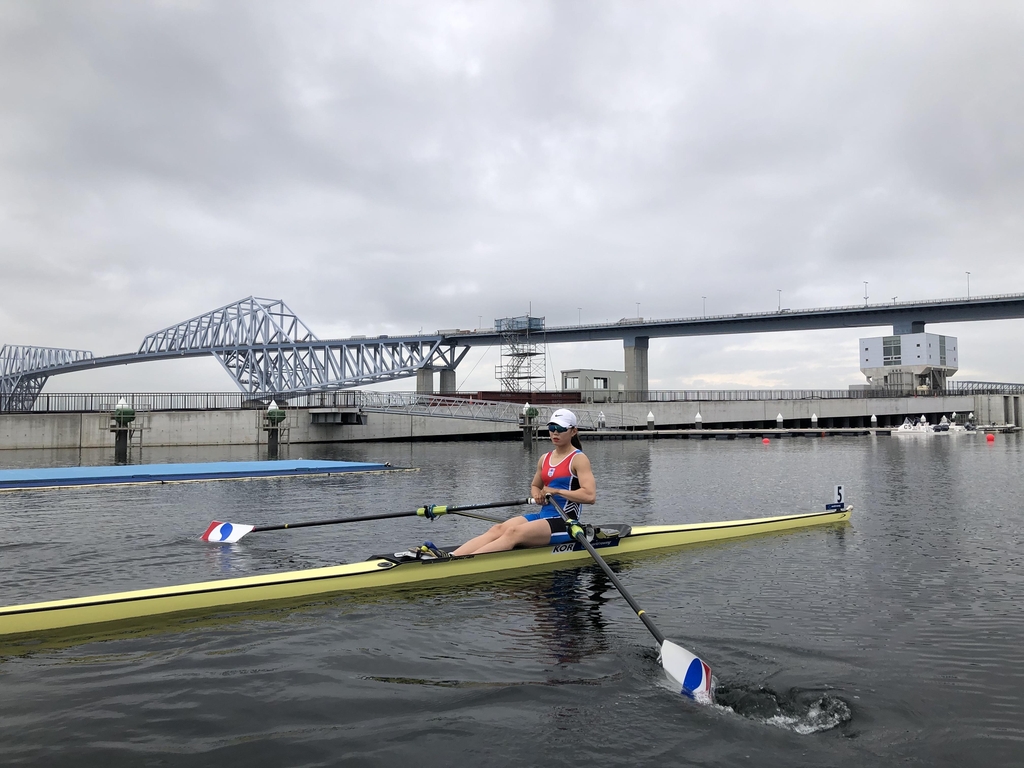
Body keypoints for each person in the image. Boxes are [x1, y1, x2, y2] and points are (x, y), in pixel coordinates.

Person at [445, 408, 596, 557]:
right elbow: (535, 486)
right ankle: (452, 556)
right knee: (498, 529)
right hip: (543, 517)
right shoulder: (545, 458)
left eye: (561, 428)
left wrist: (556, 491)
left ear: (573, 431)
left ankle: (468, 562)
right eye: (552, 427)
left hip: (565, 522)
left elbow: (589, 496)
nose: (555, 432)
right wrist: (537, 495)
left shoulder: (578, 459)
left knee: (513, 532)